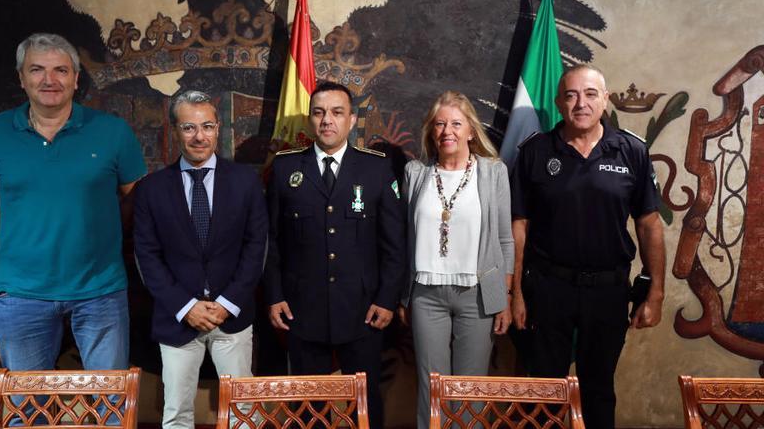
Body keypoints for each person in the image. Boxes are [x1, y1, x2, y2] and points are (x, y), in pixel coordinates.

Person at [0, 33, 147, 371]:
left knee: (111, 407)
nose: (49, 80)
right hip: (22, 294)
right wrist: (27, 239)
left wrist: (95, 236)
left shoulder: (113, 132)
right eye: (37, 70)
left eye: (61, 70)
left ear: (76, 79)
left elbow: (136, 199)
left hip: (100, 290)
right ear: (21, 78)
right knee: (26, 410)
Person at [510, 64, 665, 429]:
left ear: (605, 99)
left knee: (598, 390)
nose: (581, 103)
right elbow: (519, 226)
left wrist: (655, 292)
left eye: (590, 94)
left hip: (608, 291)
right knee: (544, 392)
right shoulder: (535, 152)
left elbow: (648, 225)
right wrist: (515, 291)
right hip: (548, 289)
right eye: (572, 95)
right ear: (559, 103)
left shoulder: (631, 151)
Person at [264, 81, 406, 429]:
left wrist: (387, 299)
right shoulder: (285, 169)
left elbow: (394, 243)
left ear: (352, 120)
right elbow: (270, 241)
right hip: (302, 308)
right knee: (308, 410)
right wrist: (275, 295)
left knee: (366, 408)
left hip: (363, 310)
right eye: (319, 112)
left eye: (337, 112)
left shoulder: (375, 169)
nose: (327, 120)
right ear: (310, 120)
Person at [133, 90, 267, 429]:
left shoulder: (245, 181)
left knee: (243, 414)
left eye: (207, 126)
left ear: (218, 128)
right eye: (189, 128)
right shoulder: (151, 189)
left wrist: (227, 302)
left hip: (232, 318)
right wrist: (185, 306)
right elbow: (147, 257)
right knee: (177, 413)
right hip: (178, 318)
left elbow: (256, 248)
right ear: (176, 130)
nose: (199, 136)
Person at [398, 91, 514, 429]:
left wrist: (503, 297)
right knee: (432, 388)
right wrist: (403, 295)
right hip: (425, 295)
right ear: (431, 131)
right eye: (440, 124)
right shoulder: (415, 172)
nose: (447, 130)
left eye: (456, 123)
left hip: (476, 295)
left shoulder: (493, 172)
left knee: (469, 389)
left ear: (471, 131)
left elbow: (505, 239)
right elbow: (405, 236)